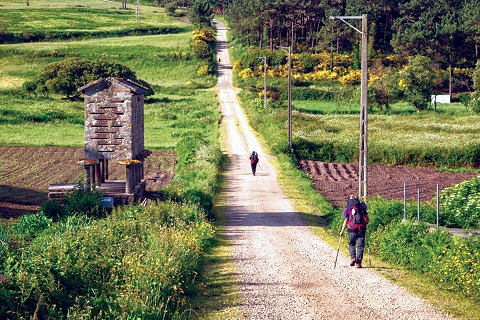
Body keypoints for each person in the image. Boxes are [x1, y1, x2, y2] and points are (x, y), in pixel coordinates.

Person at [339, 195, 369, 268]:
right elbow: (368, 219)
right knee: (360, 246)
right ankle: (358, 263)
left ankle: (353, 258)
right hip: (361, 229)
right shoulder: (362, 208)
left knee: (352, 243)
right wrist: (364, 224)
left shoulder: (348, 209)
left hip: (351, 229)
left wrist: (342, 231)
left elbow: (346, 221)